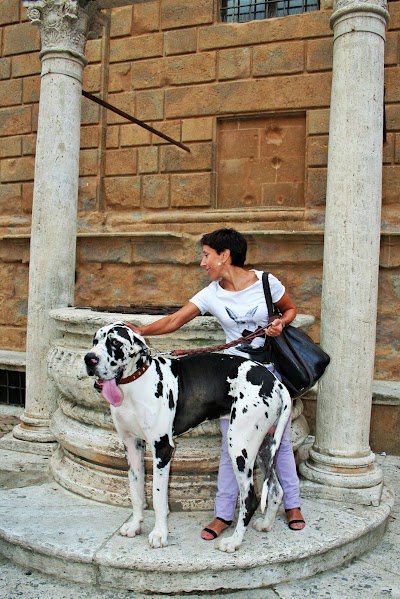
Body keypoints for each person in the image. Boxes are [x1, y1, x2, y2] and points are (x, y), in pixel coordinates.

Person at [129, 228, 306, 539]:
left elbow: (290, 309)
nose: (203, 262)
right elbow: (174, 320)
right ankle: (224, 514)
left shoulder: (266, 282)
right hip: (231, 379)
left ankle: (292, 505)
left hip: (267, 374)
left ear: (225, 255)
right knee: (230, 447)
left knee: (281, 444)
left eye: (206, 255)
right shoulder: (211, 293)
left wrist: (280, 323)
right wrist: (142, 332)